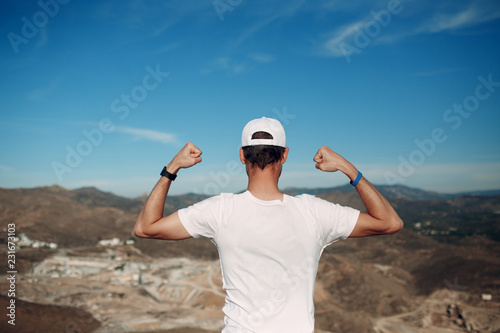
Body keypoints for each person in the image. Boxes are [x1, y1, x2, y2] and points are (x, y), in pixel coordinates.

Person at [133, 117, 403, 333]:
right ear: (284, 155)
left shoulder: (220, 209)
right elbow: (389, 222)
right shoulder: (314, 212)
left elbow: (146, 228)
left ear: (241, 155)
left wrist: (173, 167)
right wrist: (347, 167)